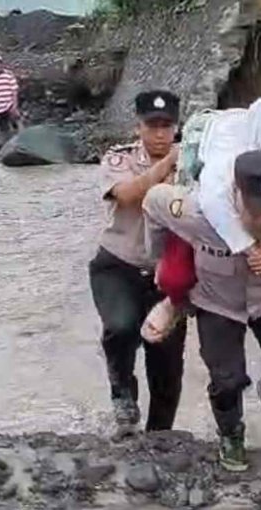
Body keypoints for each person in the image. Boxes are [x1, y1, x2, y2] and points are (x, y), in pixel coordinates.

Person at [142, 150, 261, 472]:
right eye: (259, 212)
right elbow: (153, 201)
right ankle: (231, 433)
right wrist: (159, 260)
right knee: (227, 380)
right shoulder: (197, 212)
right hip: (216, 301)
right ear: (237, 194)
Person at [141, 92, 261, 341]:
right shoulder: (224, 158)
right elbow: (211, 205)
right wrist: (250, 249)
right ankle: (175, 303)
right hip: (214, 218)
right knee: (174, 275)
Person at [88, 89, 188, 439]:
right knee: (121, 327)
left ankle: (159, 437)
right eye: (152, 126)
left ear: (176, 128)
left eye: (167, 126)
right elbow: (128, 195)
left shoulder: (193, 163)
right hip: (119, 265)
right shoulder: (120, 159)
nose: (160, 134)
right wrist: (167, 165)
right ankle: (122, 394)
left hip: (168, 275)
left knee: (167, 364)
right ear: (138, 128)